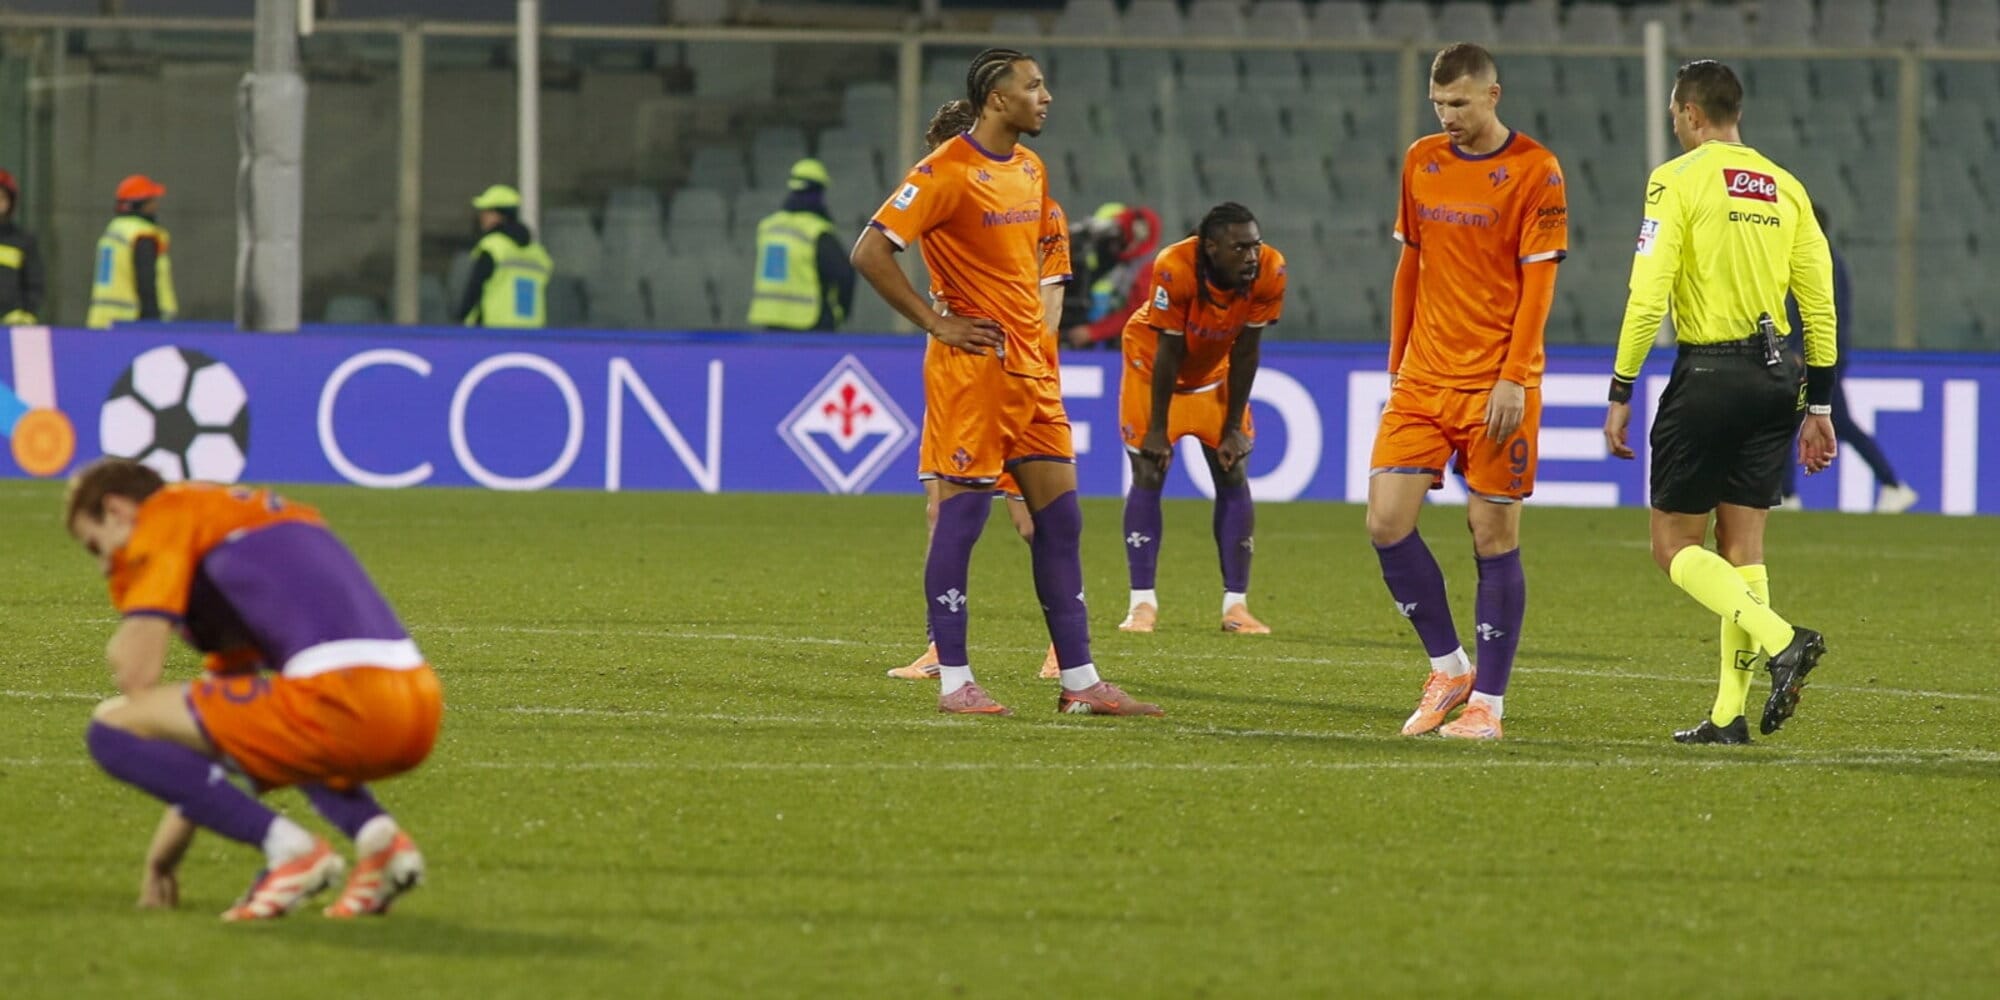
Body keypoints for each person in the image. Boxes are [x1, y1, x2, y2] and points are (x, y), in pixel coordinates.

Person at [852, 46, 1160, 717]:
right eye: (1034, 86)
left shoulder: (1030, 167)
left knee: (1061, 520)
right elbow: (870, 251)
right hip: (975, 372)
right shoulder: (943, 171)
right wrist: (936, 322)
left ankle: (1080, 682)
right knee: (960, 518)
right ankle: (954, 681)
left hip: (1031, 373)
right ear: (998, 99)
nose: (1045, 97)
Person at [67, 458, 442, 920]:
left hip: (344, 702)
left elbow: (135, 677)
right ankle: (378, 841)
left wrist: (125, 636)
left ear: (117, 509)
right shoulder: (235, 526)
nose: (105, 566)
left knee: (110, 729)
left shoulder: (166, 513)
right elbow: (216, 745)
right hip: (416, 705)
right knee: (273, 729)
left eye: (95, 545)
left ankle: (292, 852)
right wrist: (162, 862)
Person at [1602, 59, 1835, 745]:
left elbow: (1648, 293)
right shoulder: (1786, 186)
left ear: (1691, 113)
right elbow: (1818, 303)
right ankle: (1729, 715)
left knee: (1672, 544)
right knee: (1742, 547)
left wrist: (1622, 386)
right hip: (1776, 378)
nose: (1675, 124)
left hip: (1709, 374)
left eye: (1676, 114)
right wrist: (1819, 407)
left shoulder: (1675, 179)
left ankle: (1783, 639)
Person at [1367, 43, 1567, 742]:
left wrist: (1515, 374)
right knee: (1386, 523)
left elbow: (1539, 285)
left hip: (1496, 383)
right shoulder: (1421, 160)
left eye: (1458, 102)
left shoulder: (1536, 170)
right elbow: (1411, 264)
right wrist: (1397, 363)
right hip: (1423, 377)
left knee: (1492, 535)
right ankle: (1449, 668)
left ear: (1492, 95)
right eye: (1438, 103)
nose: (1447, 116)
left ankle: (1489, 705)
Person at [890, 99, 1070, 682]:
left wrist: (1025, 360)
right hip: (958, 372)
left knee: (1034, 519)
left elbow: (1050, 299)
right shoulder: (944, 198)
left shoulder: (1038, 205)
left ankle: (1064, 645)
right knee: (940, 510)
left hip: (1018, 374)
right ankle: (939, 646)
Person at [1116, 202, 1285, 636]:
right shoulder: (1175, 268)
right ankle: (1142, 605)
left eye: (1255, 245)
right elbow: (1168, 351)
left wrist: (1233, 428)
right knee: (1149, 471)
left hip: (1213, 374)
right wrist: (1158, 429)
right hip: (1152, 368)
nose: (1251, 256)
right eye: (1239, 248)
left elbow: (1247, 350)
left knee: (1232, 470)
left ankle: (1236, 608)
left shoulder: (1270, 269)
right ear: (1210, 248)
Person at [1778, 204, 1916, 513]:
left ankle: (1893, 485)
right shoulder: (1818, 258)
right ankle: (1788, 494)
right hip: (1819, 358)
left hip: (1820, 360)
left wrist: (1802, 353)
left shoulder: (1822, 261)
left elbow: (1826, 316)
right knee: (1808, 422)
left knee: (1826, 422)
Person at [747, 159, 858, 332]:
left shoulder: (767, 227)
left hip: (771, 321)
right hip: (810, 322)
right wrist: (841, 311)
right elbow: (844, 274)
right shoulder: (816, 231)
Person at [1061, 202, 1161, 350]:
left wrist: (1093, 332)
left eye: (1121, 234)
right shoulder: (1122, 264)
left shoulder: (1147, 270)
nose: (1113, 244)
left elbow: (1137, 314)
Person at [456, 184, 553, 328]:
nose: (481, 217)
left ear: (499, 215)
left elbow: (475, 288)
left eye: (486, 211)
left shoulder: (493, 246)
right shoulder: (538, 253)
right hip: (532, 331)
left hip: (496, 330)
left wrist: (459, 320)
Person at [86, 174, 176, 330]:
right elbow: (146, 281)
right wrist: (152, 322)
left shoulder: (113, 231)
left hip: (101, 320)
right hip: (131, 323)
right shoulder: (141, 234)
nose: (156, 205)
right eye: (152, 200)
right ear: (141, 205)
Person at [0, 168, 46, 324]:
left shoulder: (23, 241)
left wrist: (26, 312)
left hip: (12, 324)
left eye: (2, 198)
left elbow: (35, 282)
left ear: (10, 202)